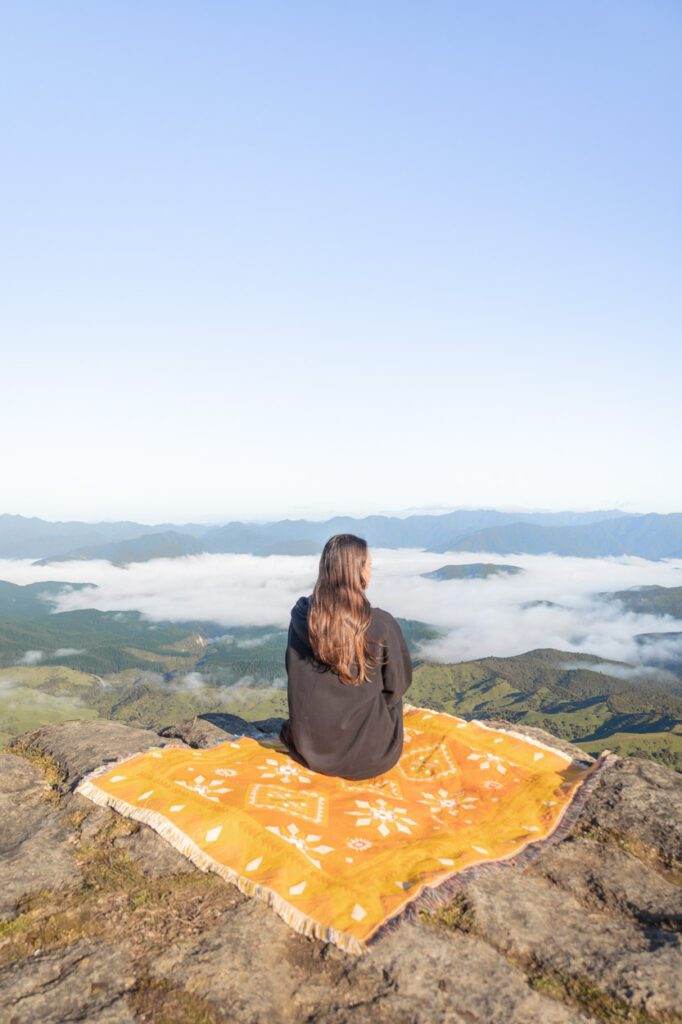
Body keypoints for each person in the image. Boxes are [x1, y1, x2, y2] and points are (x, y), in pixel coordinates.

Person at [280, 533, 413, 779]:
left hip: (311, 750)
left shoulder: (301, 617)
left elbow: (294, 672)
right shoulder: (380, 625)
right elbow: (397, 686)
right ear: (358, 572)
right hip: (373, 757)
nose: (372, 570)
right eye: (369, 564)